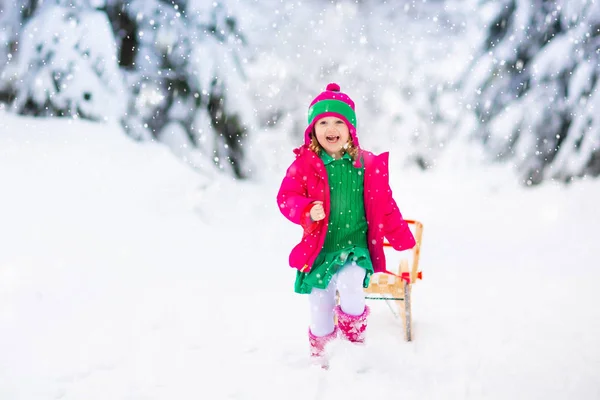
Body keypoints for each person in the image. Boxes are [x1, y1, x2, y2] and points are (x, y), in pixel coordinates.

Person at [276, 83, 416, 367]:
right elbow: (285, 197)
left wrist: (402, 237)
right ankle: (322, 356)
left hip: (355, 246)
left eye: (339, 121)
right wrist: (305, 209)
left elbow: (384, 205)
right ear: (313, 130)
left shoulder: (366, 165)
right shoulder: (305, 165)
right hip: (321, 250)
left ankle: (353, 348)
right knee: (320, 301)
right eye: (323, 121)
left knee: (352, 282)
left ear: (350, 128)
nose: (331, 127)